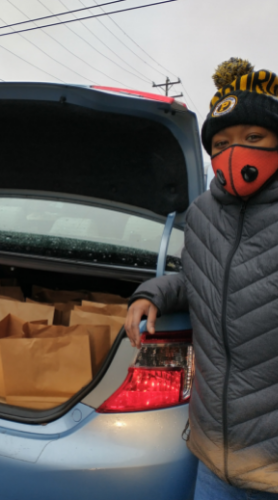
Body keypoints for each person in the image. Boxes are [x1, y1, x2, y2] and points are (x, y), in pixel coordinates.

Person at [125, 58, 278, 499]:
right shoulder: (203, 215)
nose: (236, 151)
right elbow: (199, 280)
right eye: (223, 141)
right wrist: (151, 293)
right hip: (213, 452)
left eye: (254, 138)